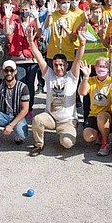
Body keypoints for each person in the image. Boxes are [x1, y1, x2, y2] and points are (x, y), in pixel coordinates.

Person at [26, 26, 85, 156]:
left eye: (61, 65)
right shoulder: (49, 76)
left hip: (67, 120)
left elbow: (78, 59)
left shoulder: (72, 77)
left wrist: (82, 44)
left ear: (66, 66)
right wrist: (31, 42)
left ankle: (68, 130)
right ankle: (38, 145)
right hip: (51, 117)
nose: (58, 67)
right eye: (56, 65)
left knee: (67, 143)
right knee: (37, 120)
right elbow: (40, 58)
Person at [78, 58, 112, 156]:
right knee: (88, 136)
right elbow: (82, 92)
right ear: (95, 68)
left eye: (104, 66)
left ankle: (105, 143)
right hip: (94, 114)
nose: (102, 69)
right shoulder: (91, 80)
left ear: (108, 69)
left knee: (102, 116)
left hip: (110, 117)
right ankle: (101, 134)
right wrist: (85, 77)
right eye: (99, 66)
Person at [45, 0, 82, 65]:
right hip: (53, 55)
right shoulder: (54, 14)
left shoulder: (75, 17)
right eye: (63, 3)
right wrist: (49, 14)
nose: (67, 5)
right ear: (59, 4)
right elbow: (46, 26)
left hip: (68, 56)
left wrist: (65, 28)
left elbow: (74, 38)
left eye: (68, 2)